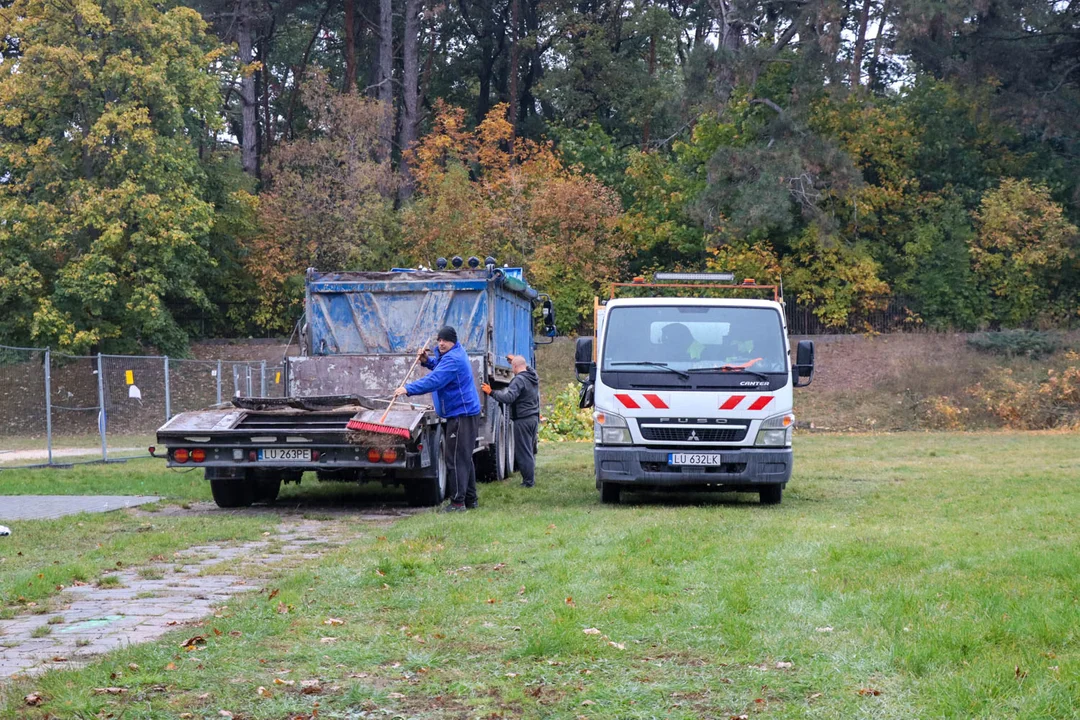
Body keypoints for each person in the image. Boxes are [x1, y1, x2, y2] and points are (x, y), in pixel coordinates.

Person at [394, 326, 482, 511]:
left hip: (461, 415)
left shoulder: (454, 359)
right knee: (464, 457)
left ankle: (458, 503)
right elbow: (440, 366)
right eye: (439, 340)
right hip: (462, 413)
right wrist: (427, 361)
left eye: (445, 340)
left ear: (453, 341)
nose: (441, 343)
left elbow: (435, 380)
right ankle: (470, 500)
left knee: (456, 459)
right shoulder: (452, 354)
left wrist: (408, 389)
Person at [481, 355, 540, 488]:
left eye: (512, 366)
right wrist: (518, 360)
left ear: (514, 367)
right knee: (529, 450)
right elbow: (528, 368)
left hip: (522, 420)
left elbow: (508, 397)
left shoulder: (518, 380)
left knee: (523, 452)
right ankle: (530, 480)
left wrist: (491, 392)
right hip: (533, 418)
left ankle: (528, 482)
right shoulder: (533, 376)